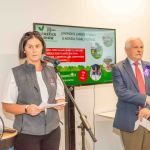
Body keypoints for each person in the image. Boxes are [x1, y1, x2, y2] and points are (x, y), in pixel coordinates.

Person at [2, 31, 65, 150]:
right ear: (24, 50)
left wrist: (60, 102)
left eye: (37, 46)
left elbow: (59, 96)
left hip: (53, 131)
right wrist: (26, 109)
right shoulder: (15, 73)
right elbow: (7, 106)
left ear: (42, 48)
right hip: (27, 134)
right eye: (30, 47)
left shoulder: (53, 71)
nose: (34, 50)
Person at [112, 37, 150, 150]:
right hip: (130, 120)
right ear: (126, 50)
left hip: (148, 117)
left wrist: (147, 107)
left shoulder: (148, 66)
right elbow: (121, 91)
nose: (140, 50)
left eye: (141, 47)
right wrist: (145, 99)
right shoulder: (118, 68)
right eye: (136, 47)